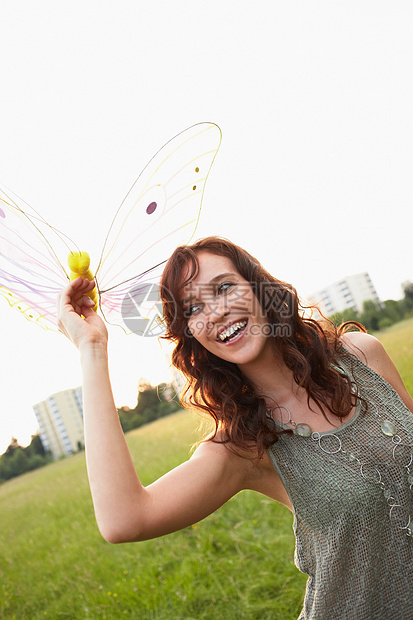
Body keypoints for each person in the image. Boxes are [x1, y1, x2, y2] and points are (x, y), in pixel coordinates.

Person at [57, 236, 413, 620]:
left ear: (259, 287)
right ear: (191, 333)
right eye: (194, 308)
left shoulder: (362, 355)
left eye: (224, 287)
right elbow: (123, 519)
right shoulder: (243, 444)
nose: (216, 313)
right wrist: (92, 348)